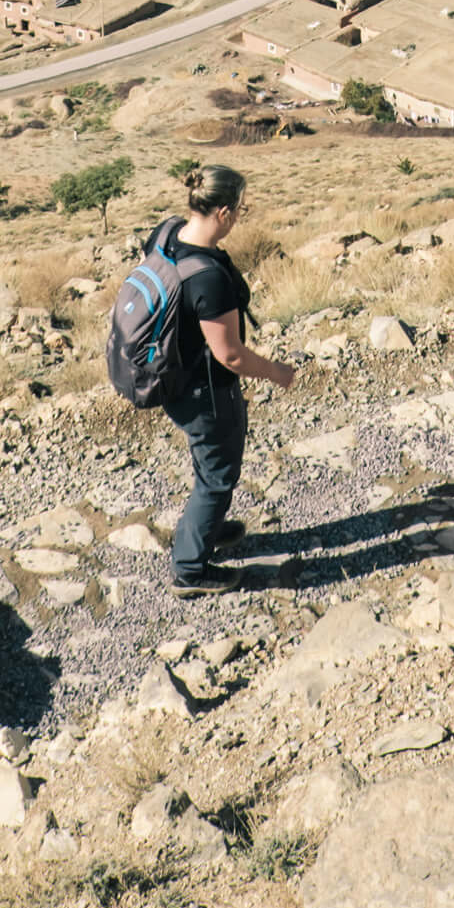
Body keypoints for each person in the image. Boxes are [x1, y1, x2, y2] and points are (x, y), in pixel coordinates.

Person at [151, 163, 296, 594]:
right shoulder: (209, 277)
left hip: (174, 377)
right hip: (206, 392)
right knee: (218, 477)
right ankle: (190, 569)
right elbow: (230, 354)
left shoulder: (167, 232)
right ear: (227, 212)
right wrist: (275, 372)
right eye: (241, 209)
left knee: (208, 465)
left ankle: (206, 529)